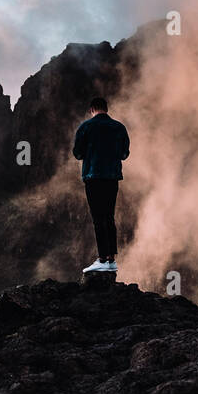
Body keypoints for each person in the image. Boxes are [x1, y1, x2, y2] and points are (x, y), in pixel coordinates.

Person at [73, 96, 129, 274]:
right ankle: (112, 258)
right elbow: (124, 154)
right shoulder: (119, 127)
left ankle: (103, 258)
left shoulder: (86, 127)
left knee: (98, 218)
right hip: (112, 177)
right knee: (109, 216)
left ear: (92, 110)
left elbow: (78, 153)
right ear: (106, 108)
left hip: (93, 177)